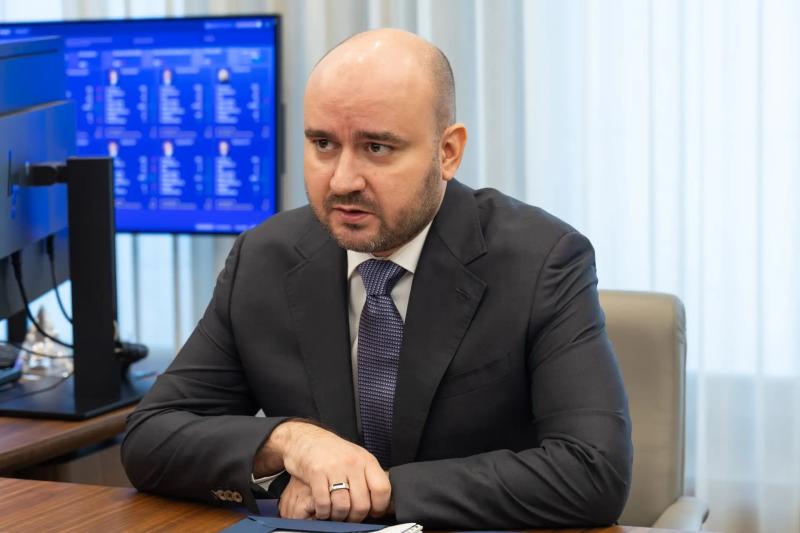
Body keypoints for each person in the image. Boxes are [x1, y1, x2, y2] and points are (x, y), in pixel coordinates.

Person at [122, 28, 632, 530]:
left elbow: (593, 471)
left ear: (448, 152)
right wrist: (293, 442)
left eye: (377, 148)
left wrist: (374, 491)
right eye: (323, 143)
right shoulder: (265, 258)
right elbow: (151, 438)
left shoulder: (541, 259)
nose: (343, 180)